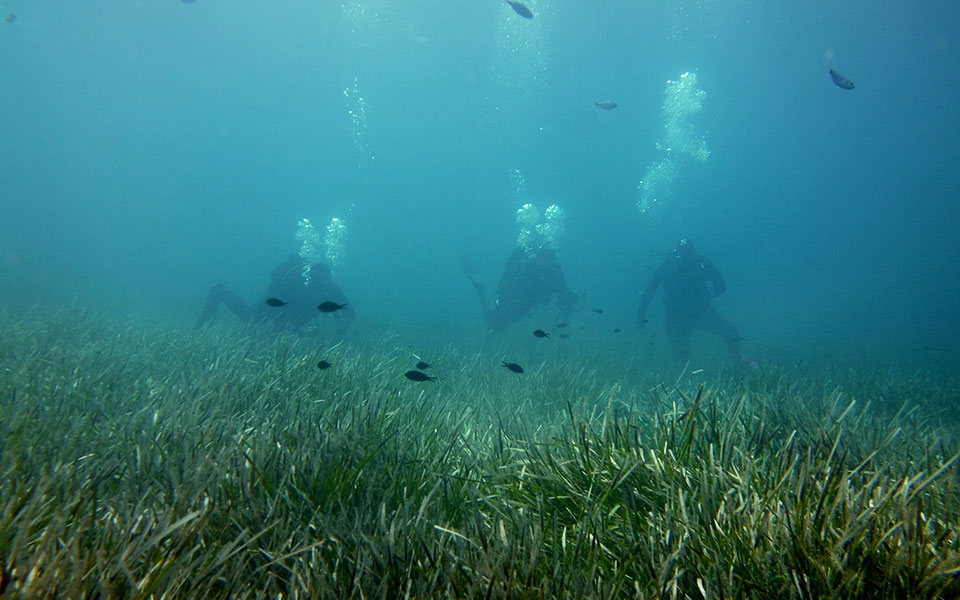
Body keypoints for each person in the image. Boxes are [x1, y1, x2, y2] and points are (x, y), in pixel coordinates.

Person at [636, 239, 742, 364]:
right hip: (701, 312)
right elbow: (720, 287)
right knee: (731, 333)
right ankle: (738, 364)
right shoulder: (700, 262)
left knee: (680, 356)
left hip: (676, 315)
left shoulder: (668, 265)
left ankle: (682, 373)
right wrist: (709, 295)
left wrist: (640, 316)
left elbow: (649, 291)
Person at [194, 254, 354, 335]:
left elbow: (349, 311)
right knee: (250, 318)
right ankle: (221, 293)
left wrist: (343, 327)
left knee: (253, 320)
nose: (319, 282)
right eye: (316, 278)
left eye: (323, 278)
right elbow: (286, 311)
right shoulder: (298, 285)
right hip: (272, 309)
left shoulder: (332, 290)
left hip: (290, 320)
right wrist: (297, 328)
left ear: (328, 278)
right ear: (310, 276)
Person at [463, 245, 583, 334]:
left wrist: (570, 298)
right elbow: (516, 291)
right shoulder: (531, 270)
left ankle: (493, 331)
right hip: (515, 299)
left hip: (526, 304)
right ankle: (479, 287)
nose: (547, 265)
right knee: (494, 320)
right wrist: (537, 298)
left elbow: (562, 291)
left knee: (500, 323)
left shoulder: (555, 273)